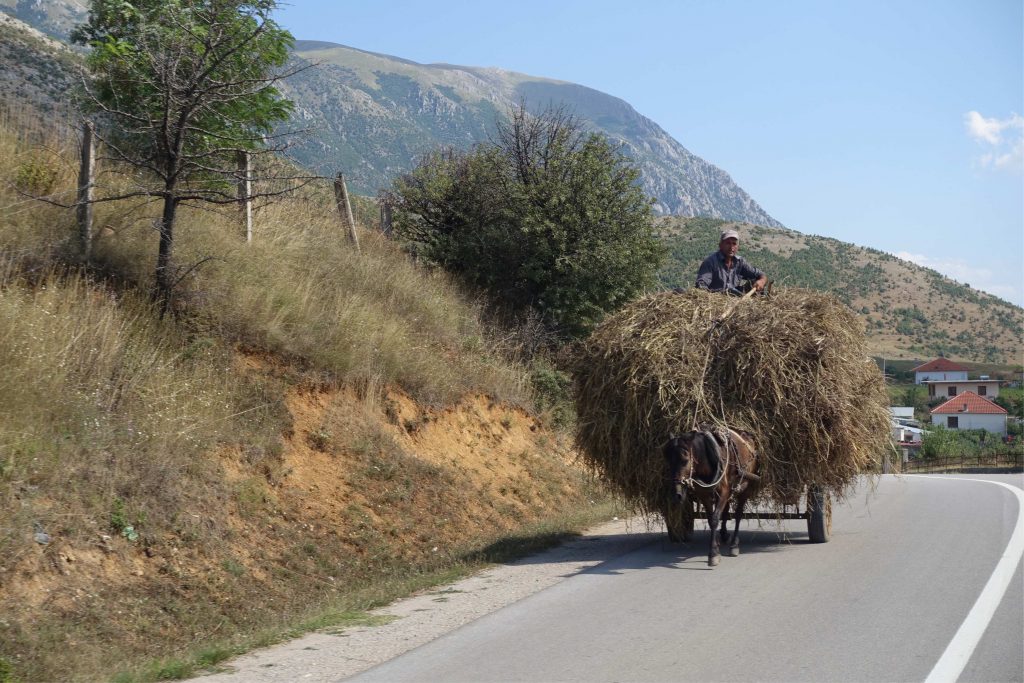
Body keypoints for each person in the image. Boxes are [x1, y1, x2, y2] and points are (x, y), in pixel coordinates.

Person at [695, 228, 768, 295]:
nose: (731, 247)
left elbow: (761, 274)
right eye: (728, 243)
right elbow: (701, 285)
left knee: (754, 283)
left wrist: (761, 281)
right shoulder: (710, 262)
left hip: (735, 300)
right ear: (720, 245)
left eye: (734, 244)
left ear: (737, 247)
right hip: (717, 300)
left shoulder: (740, 262)